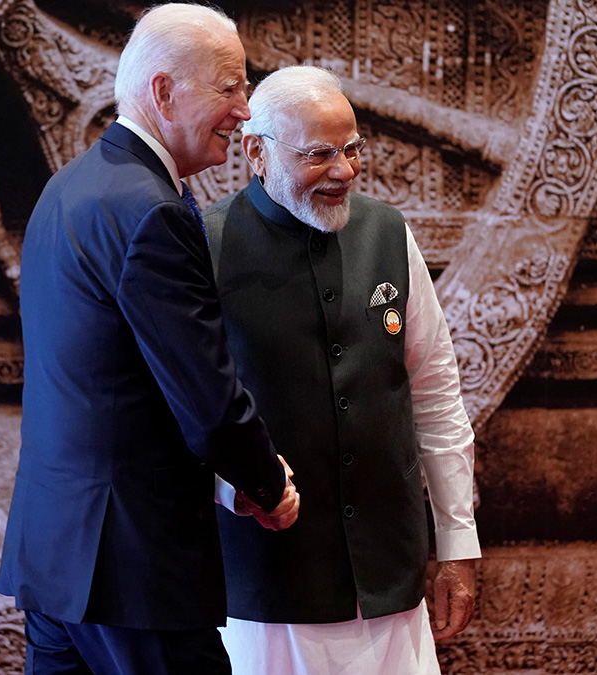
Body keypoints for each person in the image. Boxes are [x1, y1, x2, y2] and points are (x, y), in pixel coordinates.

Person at [0, 5, 300, 674]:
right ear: (164, 91)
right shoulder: (151, 210)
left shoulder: (69, 187)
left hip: (55, 556)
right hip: (132, 568)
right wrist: (268, 482)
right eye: (229, 86)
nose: (245, 110)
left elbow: (110, 378)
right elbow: (207, 399)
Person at [204, 66, 480, 675]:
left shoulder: (388, 233)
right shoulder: (205, 245)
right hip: (266, 589)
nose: (345, 171)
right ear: (256, 152)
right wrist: (234, 487)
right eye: (319, 154)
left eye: (353, 150)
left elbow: (435, 393)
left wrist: (458, 545)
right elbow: (173, 408)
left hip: (389, 577)